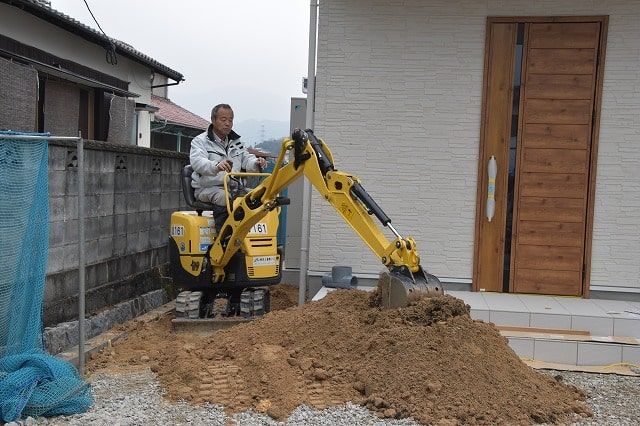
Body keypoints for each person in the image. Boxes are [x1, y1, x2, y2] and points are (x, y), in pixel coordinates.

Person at [190, 104, 267, 213]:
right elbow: (198, 162)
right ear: (213, 120)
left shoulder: (237, 142)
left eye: (230, 120)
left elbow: (247, 159)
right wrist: (216, 166)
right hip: (208, 188)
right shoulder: (200, 141)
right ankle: (224, 230)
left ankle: (249, 229)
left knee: (259, 196)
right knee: (224, 197)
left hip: (234, 188)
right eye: (223, 120)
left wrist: (256, 162)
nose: (227, 123)